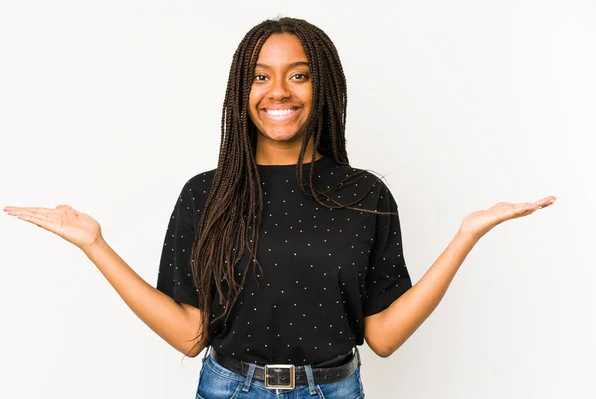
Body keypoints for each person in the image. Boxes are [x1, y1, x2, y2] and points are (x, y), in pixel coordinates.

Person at [3, 16, 555, 399]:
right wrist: (95, 245)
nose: (279, 92)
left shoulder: (365, 195)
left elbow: (383, 336)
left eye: (299, 74)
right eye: (261, 76)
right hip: (228, 388)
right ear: (242, 90)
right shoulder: (206, 193)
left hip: (335, 390)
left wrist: (466, 236)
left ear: (324, 86)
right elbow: (189, 333)